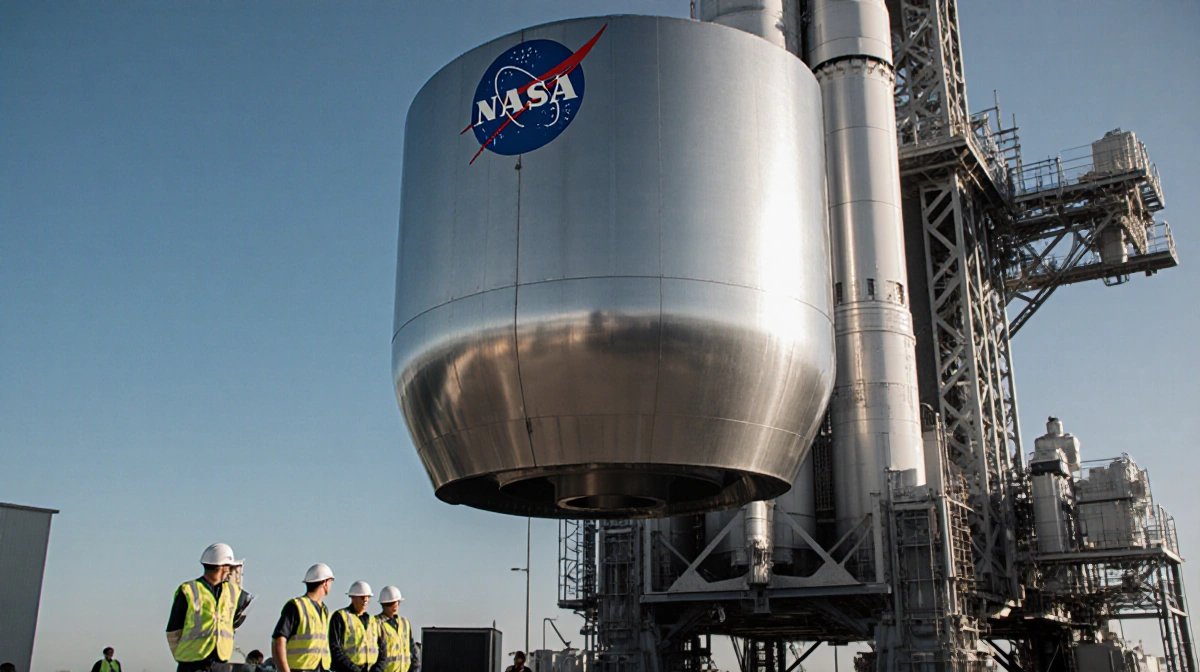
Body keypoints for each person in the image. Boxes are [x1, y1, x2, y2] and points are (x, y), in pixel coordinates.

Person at [166, 543, 254, 672]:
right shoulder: (188, 590)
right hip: (192, 665)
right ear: (223, 567)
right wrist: (184, 656)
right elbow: (173, 631)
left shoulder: (232, 592)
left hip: (220, 664)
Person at [272, 563, 335, 672]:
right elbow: (278, 641)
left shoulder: (324, 610)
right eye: (330, 581)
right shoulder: (296, 606)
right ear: (324, 583)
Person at [329, 581, 380, 672]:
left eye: (367, 597)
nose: (365, 600)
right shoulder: (341, 617)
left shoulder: (373, 621)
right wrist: (354, 669)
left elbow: (382, 649)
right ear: (353, 597)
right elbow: (335, 649)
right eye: (362, 597)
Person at [375, 586, 418, 672]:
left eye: (396, 603)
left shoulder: (405, 623)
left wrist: (414, 667)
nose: (394, 606)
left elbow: (412, 649)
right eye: (390, 604)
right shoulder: (376, 623)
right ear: (383, 605)